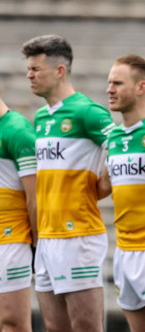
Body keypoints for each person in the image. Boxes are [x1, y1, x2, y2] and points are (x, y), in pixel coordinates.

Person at [23, 34, 115, 332]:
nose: (29, 75)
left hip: (78, 235)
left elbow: (123, 146)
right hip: (48, 236)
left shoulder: (87, 111)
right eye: (29, 69)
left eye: (36, 68)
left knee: (86, 326)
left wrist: (102, 187)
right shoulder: (41, 117)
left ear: (60, 70)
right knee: (55, 327)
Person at [100, 55, 145, 332]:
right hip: (124, 250)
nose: (110, 89)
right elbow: (105, 186)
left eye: (117, 83)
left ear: (142, 87)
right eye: (109, 83)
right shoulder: (114, 138)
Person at [0, 96, 37, 332]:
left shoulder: (18, 130)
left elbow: (35, 199)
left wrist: (38, 244)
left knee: (12, 323)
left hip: (11, 240)